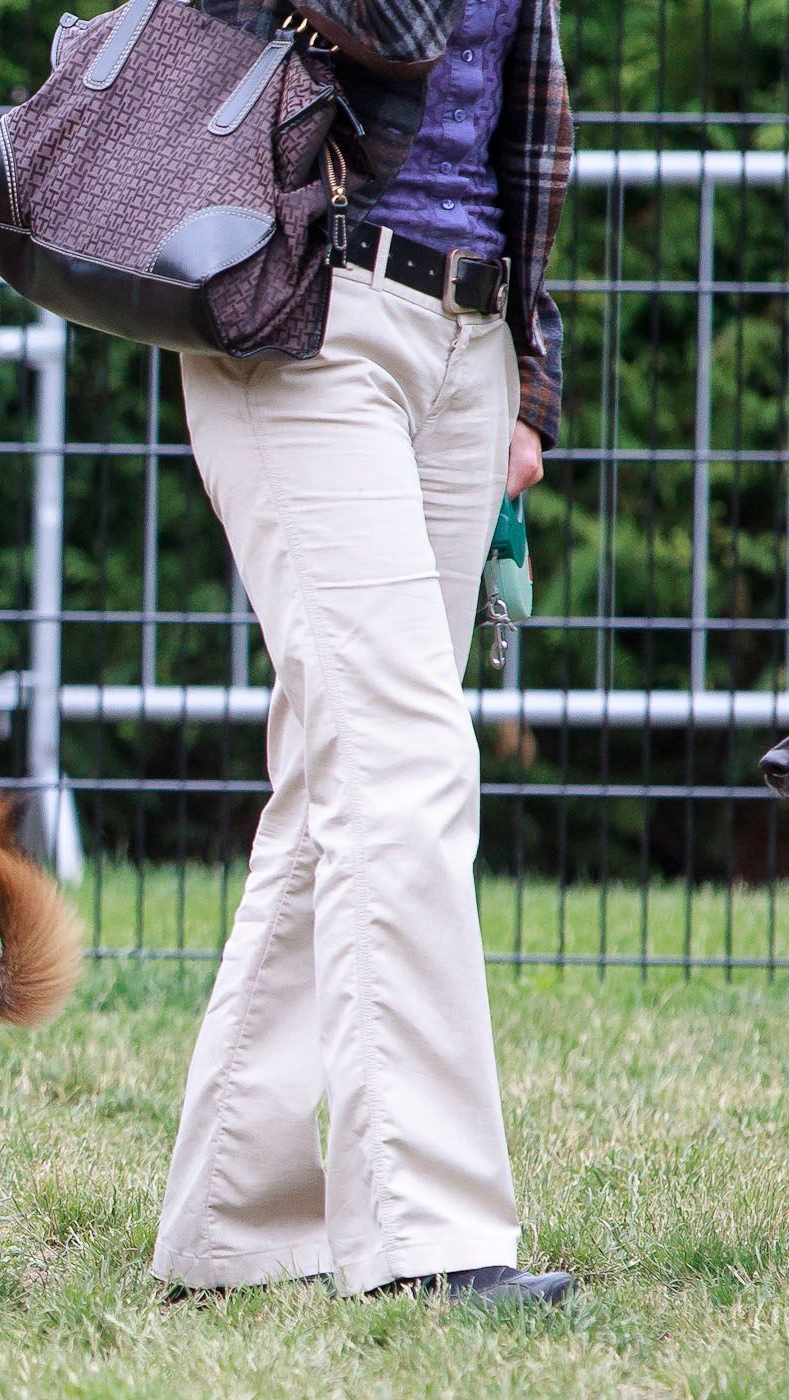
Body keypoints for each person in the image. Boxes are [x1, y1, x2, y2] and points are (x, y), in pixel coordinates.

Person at [151, 0, 575, 1304]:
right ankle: (435, 1239)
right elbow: (386, 21)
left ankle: (233, 1232)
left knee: (342, 776)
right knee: (401, 757)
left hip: (465, 333)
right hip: (305, 308)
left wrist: (524, 379)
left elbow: (518, 117)